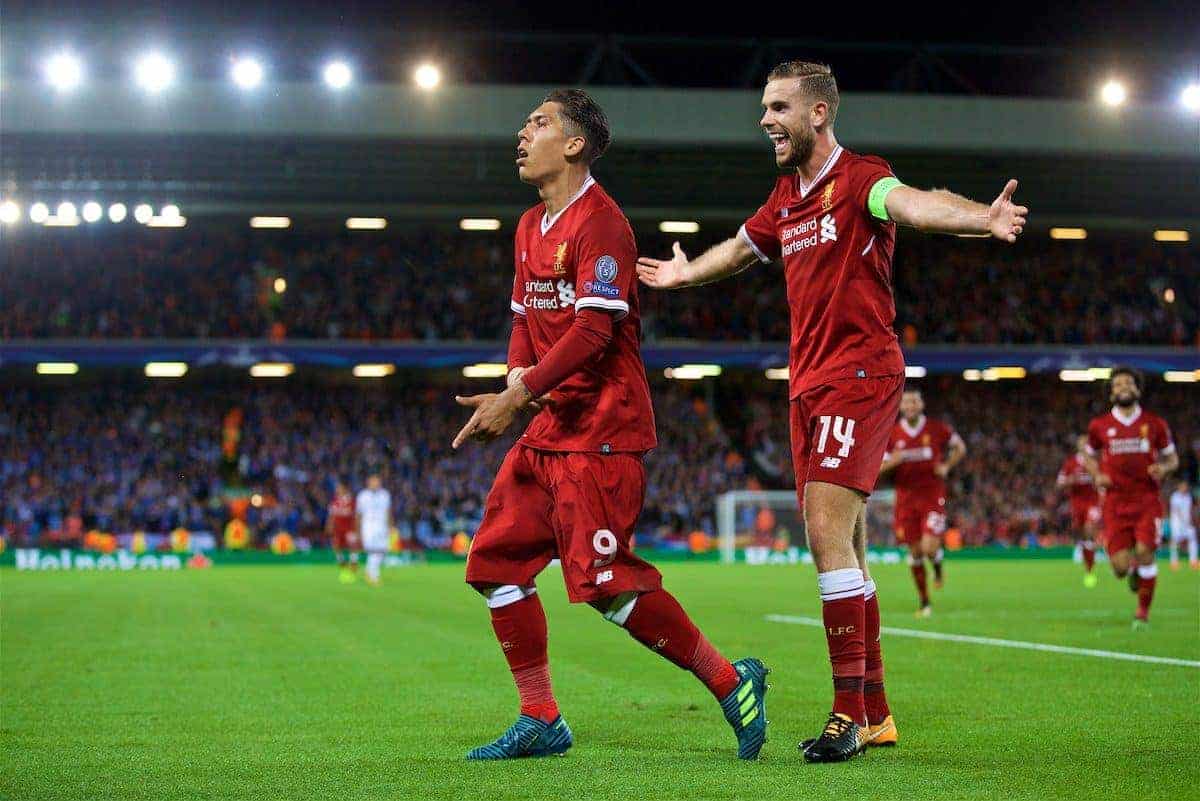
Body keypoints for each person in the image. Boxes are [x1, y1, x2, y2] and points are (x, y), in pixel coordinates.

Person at [636, 60, 1027, 762]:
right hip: (808, 385)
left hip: (860, 374)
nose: (765, 119)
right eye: (764, 105)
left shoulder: (861, 179)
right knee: (852, 546)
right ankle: (874, 711)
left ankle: (846, 714)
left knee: (822, 530)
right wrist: (687, 270)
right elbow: (744, 249)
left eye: (778, 106)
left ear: (818, 113)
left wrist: (981, 218)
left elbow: (915, 202)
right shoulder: (786, 197)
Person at [451, 89, 768, 761]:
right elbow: (522, 317)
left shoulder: (603, 224)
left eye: (537, 123)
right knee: (495, 563)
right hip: (548, 431)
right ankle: (540, 716)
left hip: (600, 430)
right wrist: (517, 383)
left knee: (606, 583)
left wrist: (521, 394)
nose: (522, 133)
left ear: (573, 144)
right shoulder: (530, 225)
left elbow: (595, 330)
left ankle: (728, 678)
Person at [1082, 368, 1178, 627]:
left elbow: (1172, 459)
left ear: (1138, 389)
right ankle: (1134, 570)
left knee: (1146, 551)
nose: (1123, 387)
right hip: (1114, 502)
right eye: (1118, 384)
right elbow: (1087, 455)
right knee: (1119, 568)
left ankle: (1142, 614)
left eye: (1129, 382)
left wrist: (1164, 468)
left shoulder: (1155, 423)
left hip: (1147, 499)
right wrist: (1096, 474)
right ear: (1111, 392)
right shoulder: (1099, 426)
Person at [878, 388, 966, 616]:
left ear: (921, 404)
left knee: (929, 547)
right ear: (900, 407)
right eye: (906, 403)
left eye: (914, 402)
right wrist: (894, 462)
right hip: (905, 500)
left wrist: (947, 466)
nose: (910, 406)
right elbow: (878, 468)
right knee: (915, 552)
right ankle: (925, 602)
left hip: (932, 496)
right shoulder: (893, 434)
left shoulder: (937, 429)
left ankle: (937, 567)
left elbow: (960, 447)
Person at [1056, 436, 1103, 587]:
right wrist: (1070, 480)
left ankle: (1091, 568)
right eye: (1082, 444)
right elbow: (1059, 484)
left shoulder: (1096, 462)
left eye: (1087, 444)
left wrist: (1098, 480)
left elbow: (1105, 480)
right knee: (1082, 535)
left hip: (1093, 503)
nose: (1085, 447)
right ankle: (1089, 567)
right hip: (1077, 505)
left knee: (1090, 529)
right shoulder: (1071, 463)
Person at [355, 474, 392, 586]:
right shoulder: (362, 496)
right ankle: (373, 575)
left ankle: (369, 571)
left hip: (382, 525)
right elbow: (358, 514)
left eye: (377, 481)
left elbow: (388, 511)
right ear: (368, 482)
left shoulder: (385, 495)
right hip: (368, 526)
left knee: (382, 550)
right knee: (373, 550)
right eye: (373, 481)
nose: (375, 483)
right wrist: (358, 530)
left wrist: (390, 526)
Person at [326, 480, 359, 583]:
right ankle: (343, 567)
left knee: (353, 547)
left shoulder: (351, 501)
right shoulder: (334, 501)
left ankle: (353, 568)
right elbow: (331, 515)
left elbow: (357, 516)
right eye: (337, 488)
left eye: (339, 488)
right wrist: (329, 525)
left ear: (345, 489)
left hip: (349, 529)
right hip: (338, 529)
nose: (337, 490)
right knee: (336, 547)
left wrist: (357, 529)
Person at [1167, 479, 1197, 571]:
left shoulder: (1188, 496)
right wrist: (1184, 521)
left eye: (1186, 486)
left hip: (1187, 522)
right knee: (1175, 542)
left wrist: (1190, 520)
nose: (1185, 488)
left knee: (1192, 538)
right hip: (1177, 523)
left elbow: (1189, 510)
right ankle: (1174, 562)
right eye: (1183, 486)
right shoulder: (1174, 497)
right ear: (1179, 487)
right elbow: (1177, 510)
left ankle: (1193, 561)